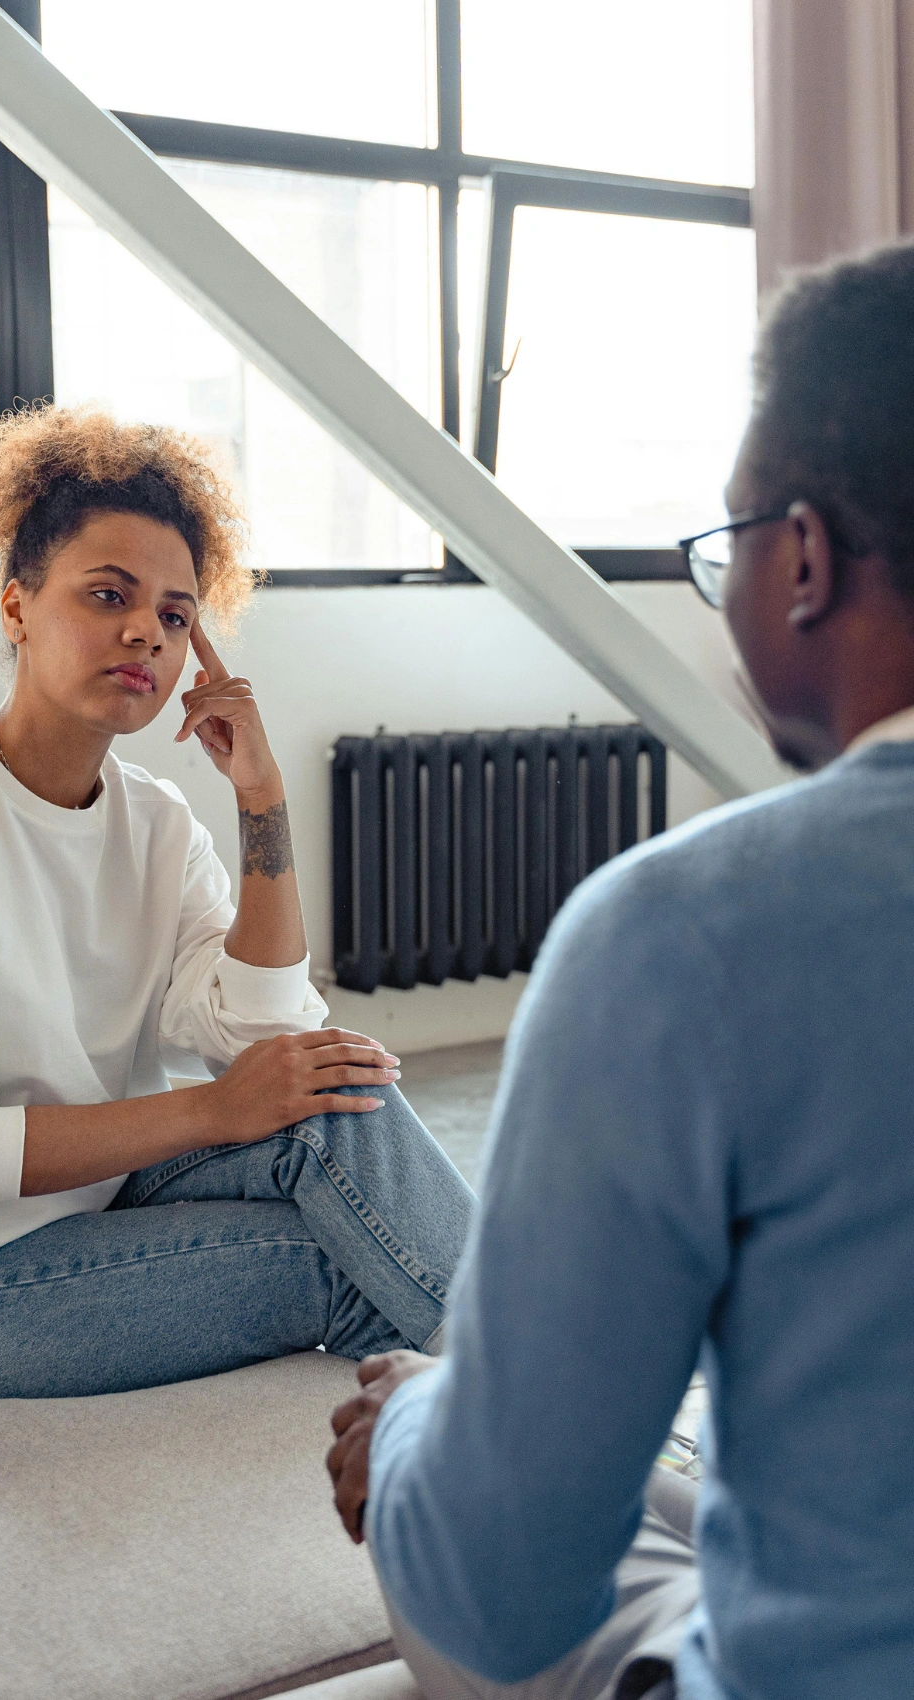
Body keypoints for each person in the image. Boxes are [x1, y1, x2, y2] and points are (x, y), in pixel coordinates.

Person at [327, 239, 914, 1700]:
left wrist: (412, 1442)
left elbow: (500, 1595)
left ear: (802, 559)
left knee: (472, 1512)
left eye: (722, 550)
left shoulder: (685, 936)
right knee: (662, 1473)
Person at [0, 405, 474, 1396]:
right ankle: (576, 1428)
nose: (146, 628)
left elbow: (263, 1029)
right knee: (340, 1260)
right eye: (107, 594)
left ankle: (557, 1404)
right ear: (14, 607)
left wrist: (260, 796)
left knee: (336, 1095)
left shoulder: (156, 820)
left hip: (85, 1211)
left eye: (176, 614)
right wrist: (211, 1111)